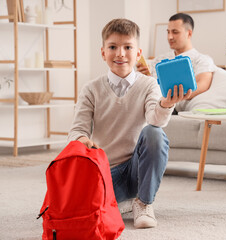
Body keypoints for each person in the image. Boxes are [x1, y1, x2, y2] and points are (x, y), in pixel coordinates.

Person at [67, 18, 191, 229]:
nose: (120, 53)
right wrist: (83, 139)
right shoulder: (91, 89)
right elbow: (77, 129)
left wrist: (166, 103)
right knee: (78, 209)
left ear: (138, 53)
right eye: (113, 47)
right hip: (105, 171)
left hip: (137, 168)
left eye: (127, 47)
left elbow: (155, 120)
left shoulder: (150, 84)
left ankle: (143, 203)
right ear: (103, 52)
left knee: (154, 133)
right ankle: (122, 201)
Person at [137, 13, 215, 102]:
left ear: (189, 33)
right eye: (168, 32)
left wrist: (171, 98)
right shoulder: (158, 60)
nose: (169, 37)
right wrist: (145, 77)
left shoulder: (202, 59)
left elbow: (202, 85)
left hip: (169, 106)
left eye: (175, 32)